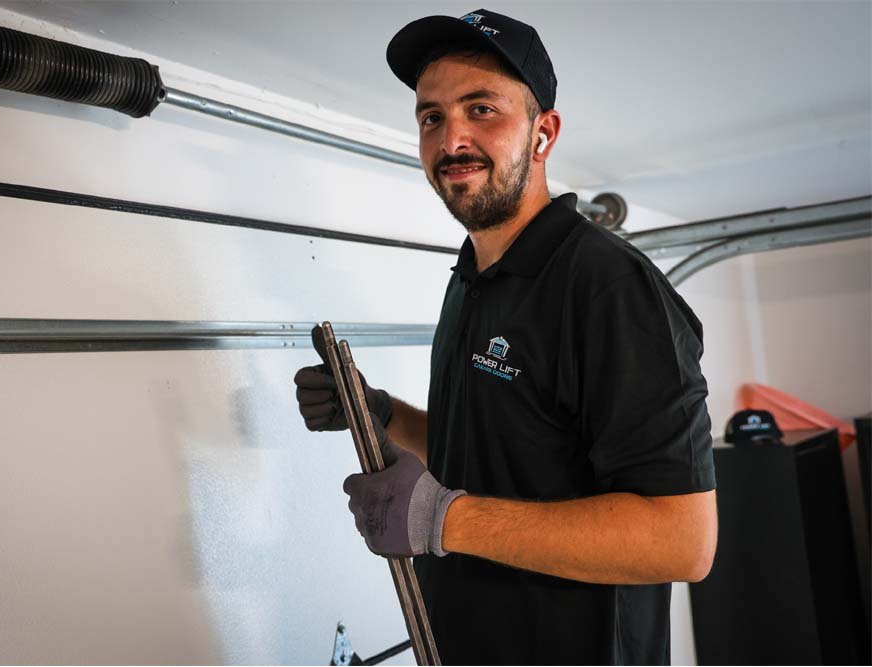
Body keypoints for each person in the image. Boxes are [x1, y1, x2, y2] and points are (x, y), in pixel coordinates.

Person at [295, 8, 717, 665]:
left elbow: (682, 540)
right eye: (431, 117)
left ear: (543, 133)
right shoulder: (471, 279)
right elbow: (495, 455)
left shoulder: (607, 286)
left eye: (482, 109)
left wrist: (443, 519)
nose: (451, 138)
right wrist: (382, 413)